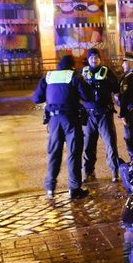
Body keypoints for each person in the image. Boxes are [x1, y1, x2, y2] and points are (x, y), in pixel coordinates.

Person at [32, 54, 89, 200]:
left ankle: (50, 188)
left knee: (54, 153)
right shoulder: (74, 76)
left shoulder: (49, 76)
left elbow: (36, 98)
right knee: (74, 153)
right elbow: (87, 96)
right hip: (70, 119)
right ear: (72, 65)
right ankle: (74, 189)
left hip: (53, 120)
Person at [81, 47, 122, 183]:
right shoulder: (83, 73)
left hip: (104, 113)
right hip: (89, 115)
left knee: (110, 143)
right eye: (91, 57)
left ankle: (114, 172)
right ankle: (88, 173)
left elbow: (117, 89)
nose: (94, 59)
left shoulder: (107, 72)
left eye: (96, 57)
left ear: (100, 59)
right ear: (88, 60)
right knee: (88, 145)